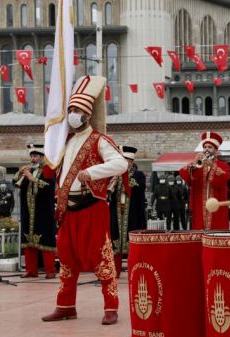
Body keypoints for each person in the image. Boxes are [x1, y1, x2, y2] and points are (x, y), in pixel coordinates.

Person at [42, 75, 127, 324]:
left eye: (77, 110)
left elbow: (120, 163)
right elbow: (50, 170)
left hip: (91, 207)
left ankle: (111, 308)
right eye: (71, 110)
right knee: (67, 260)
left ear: (88, 115)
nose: (73, 114)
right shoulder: (65, 142)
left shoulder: (99, 140)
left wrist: (91, 172)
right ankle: (66, 306)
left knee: (101, 257)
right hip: (68, 210)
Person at [13, 144, 56, 279]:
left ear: (42, 157)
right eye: (31, 156)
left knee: (45, 241)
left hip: (43, 212)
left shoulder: (48, 169)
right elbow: (15, 183)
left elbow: (50, 188)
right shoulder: (28, 169)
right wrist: (20, 174)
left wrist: (33, 179)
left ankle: (50, 271)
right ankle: (31, 270)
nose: (33, 159)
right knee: (28, 242)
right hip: (28, 211)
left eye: (36, 156)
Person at [179, 132, 230, 230]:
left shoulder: (224, 165)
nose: (206, 149)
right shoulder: (198, 165)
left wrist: (212, 166)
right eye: (205, 147)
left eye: (210, 147)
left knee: (217, 230)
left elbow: (224, 179)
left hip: (217, 207)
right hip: (199, 206)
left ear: (216, 150)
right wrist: (193, 163)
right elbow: (183, 173)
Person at [109, 146, 147, 266]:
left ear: (132, 162)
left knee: (131, 242)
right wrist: (112, 184)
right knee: (115, 240)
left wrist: (128, 181)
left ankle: (133, 267)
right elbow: (109, 194)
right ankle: (116, 270)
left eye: (127, 161)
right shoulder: (115, 174)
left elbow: (139, 190)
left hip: (132, 213)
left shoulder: (138, 175)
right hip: (117, 212)